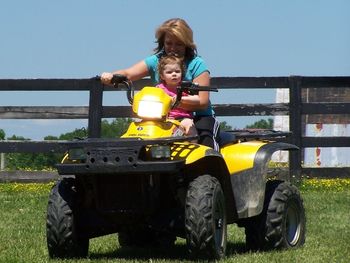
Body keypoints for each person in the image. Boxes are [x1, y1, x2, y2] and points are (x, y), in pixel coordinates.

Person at [101, 18, 220, 150]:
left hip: (199, 116)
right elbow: (128, 74)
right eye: (169, 43)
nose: (173, 48)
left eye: (179, 44)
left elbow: (203, 101)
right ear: (162, 42)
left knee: (205, 143)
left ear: (187, 44)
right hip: (164, 117)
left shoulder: (197, 63)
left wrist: (174, 101)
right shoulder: (157, 61)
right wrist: (111, 77)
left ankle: (208, 166)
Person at [157, 55, 198, 136]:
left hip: (182, 119)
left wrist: (182, 98)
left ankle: (193, 144)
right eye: (169, 72)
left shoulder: (185, 88)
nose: (174, 74)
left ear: (182, 73)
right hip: (164, 119)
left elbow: (197, 99)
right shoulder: (158, 89)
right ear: (162, 76)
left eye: (177, 71)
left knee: (189, 125)